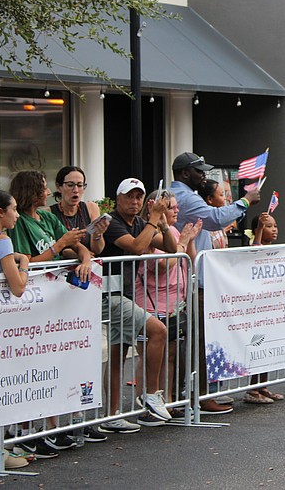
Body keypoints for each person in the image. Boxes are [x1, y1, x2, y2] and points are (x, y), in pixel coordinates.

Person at [8, 170, 95, 455]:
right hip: (30, 300)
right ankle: (24, 430)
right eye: (43, 188)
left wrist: (84, 260)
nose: (48, 193)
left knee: (51, 362)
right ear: (31, 192)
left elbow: (79, 245)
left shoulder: (47, 218)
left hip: (53, 301)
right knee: (28, 365)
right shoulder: (18, 222)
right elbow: (26, 261)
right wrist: (59, 245)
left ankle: (50, 427)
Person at [170, 152, 260, 414]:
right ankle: (200, 396)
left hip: (194, 278)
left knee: (193, 339)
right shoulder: (185, 197)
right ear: (185, 173)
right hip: (191, 280)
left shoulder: (185, 194)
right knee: (199, 339)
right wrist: (245, 200)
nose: (204, 176)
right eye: (200, 171)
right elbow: (216, 219)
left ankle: (188, 395)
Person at [99, 178, 177, 428]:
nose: (134, 202)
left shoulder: (141, 222)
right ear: (118, 199)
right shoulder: (111, 222)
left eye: (138, 197)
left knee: (117, 353)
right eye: (129, 196)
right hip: (108, 294)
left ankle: (111, 415)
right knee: (158, 330)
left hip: (125, 293)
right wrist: (153, 218)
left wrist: (163, 226)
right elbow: (136, 247)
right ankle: (151, 393)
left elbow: (169, 248)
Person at [133, 190, 201, 417]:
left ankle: (168, 402)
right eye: (172, 207)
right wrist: (181, 243)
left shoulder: (170, 231)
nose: (176, 211)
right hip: (152, 301)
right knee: (150, 356)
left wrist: (187, 242)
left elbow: (188, 260)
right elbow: (163, 264)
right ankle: (146, 406)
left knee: (171, 353)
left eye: (176, 207)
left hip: (174, 302)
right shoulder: (150, 230)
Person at [0, 190, 31, 470]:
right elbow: (17, 287)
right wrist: (23, 263)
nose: (16, 214)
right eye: (13, 209)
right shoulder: (1, 241)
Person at [244, 212, 285, 402]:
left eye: (275, 225)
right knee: (257, 345)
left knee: (268, 346)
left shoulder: (276, 248)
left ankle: (263, 386)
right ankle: (253, 389)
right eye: (269, 226)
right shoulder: (255, 247)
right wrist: (260, 229)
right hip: (257, 306)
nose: (274, 229)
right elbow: (255, 251)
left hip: (271, 304)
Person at [50, 166, 109, 253]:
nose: (76, 190)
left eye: (80, 185)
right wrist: (79, 254)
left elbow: (97, 250)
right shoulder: (49, 213)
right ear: (59, 187)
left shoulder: (91, 208)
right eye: (70, 185)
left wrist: (97, 234)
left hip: (89, 265)